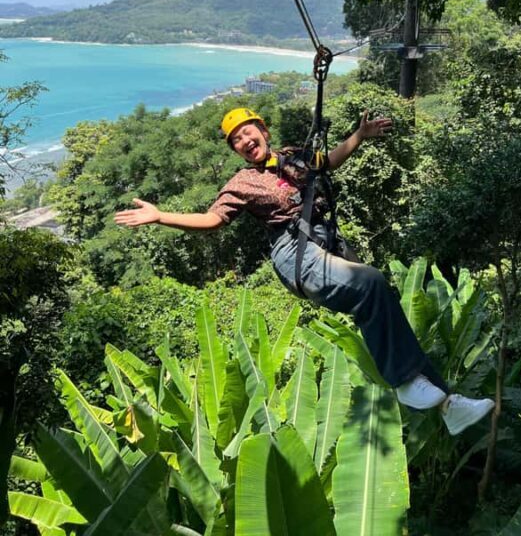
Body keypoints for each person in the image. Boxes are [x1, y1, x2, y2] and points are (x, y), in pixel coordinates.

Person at [115, 107, 494, 435]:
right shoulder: (243, 183)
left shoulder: (294, 157)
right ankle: (404, 382)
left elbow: (327, 162)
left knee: (382, 304)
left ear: (263, 132)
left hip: (321, 243)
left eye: (249, 132)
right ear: (236, 151)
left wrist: (359, 135)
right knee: (371, 284)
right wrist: (160, 216)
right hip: (294, 253)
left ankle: (448, 405)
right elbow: (213, 219)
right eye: (236, 140)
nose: (246, 140)